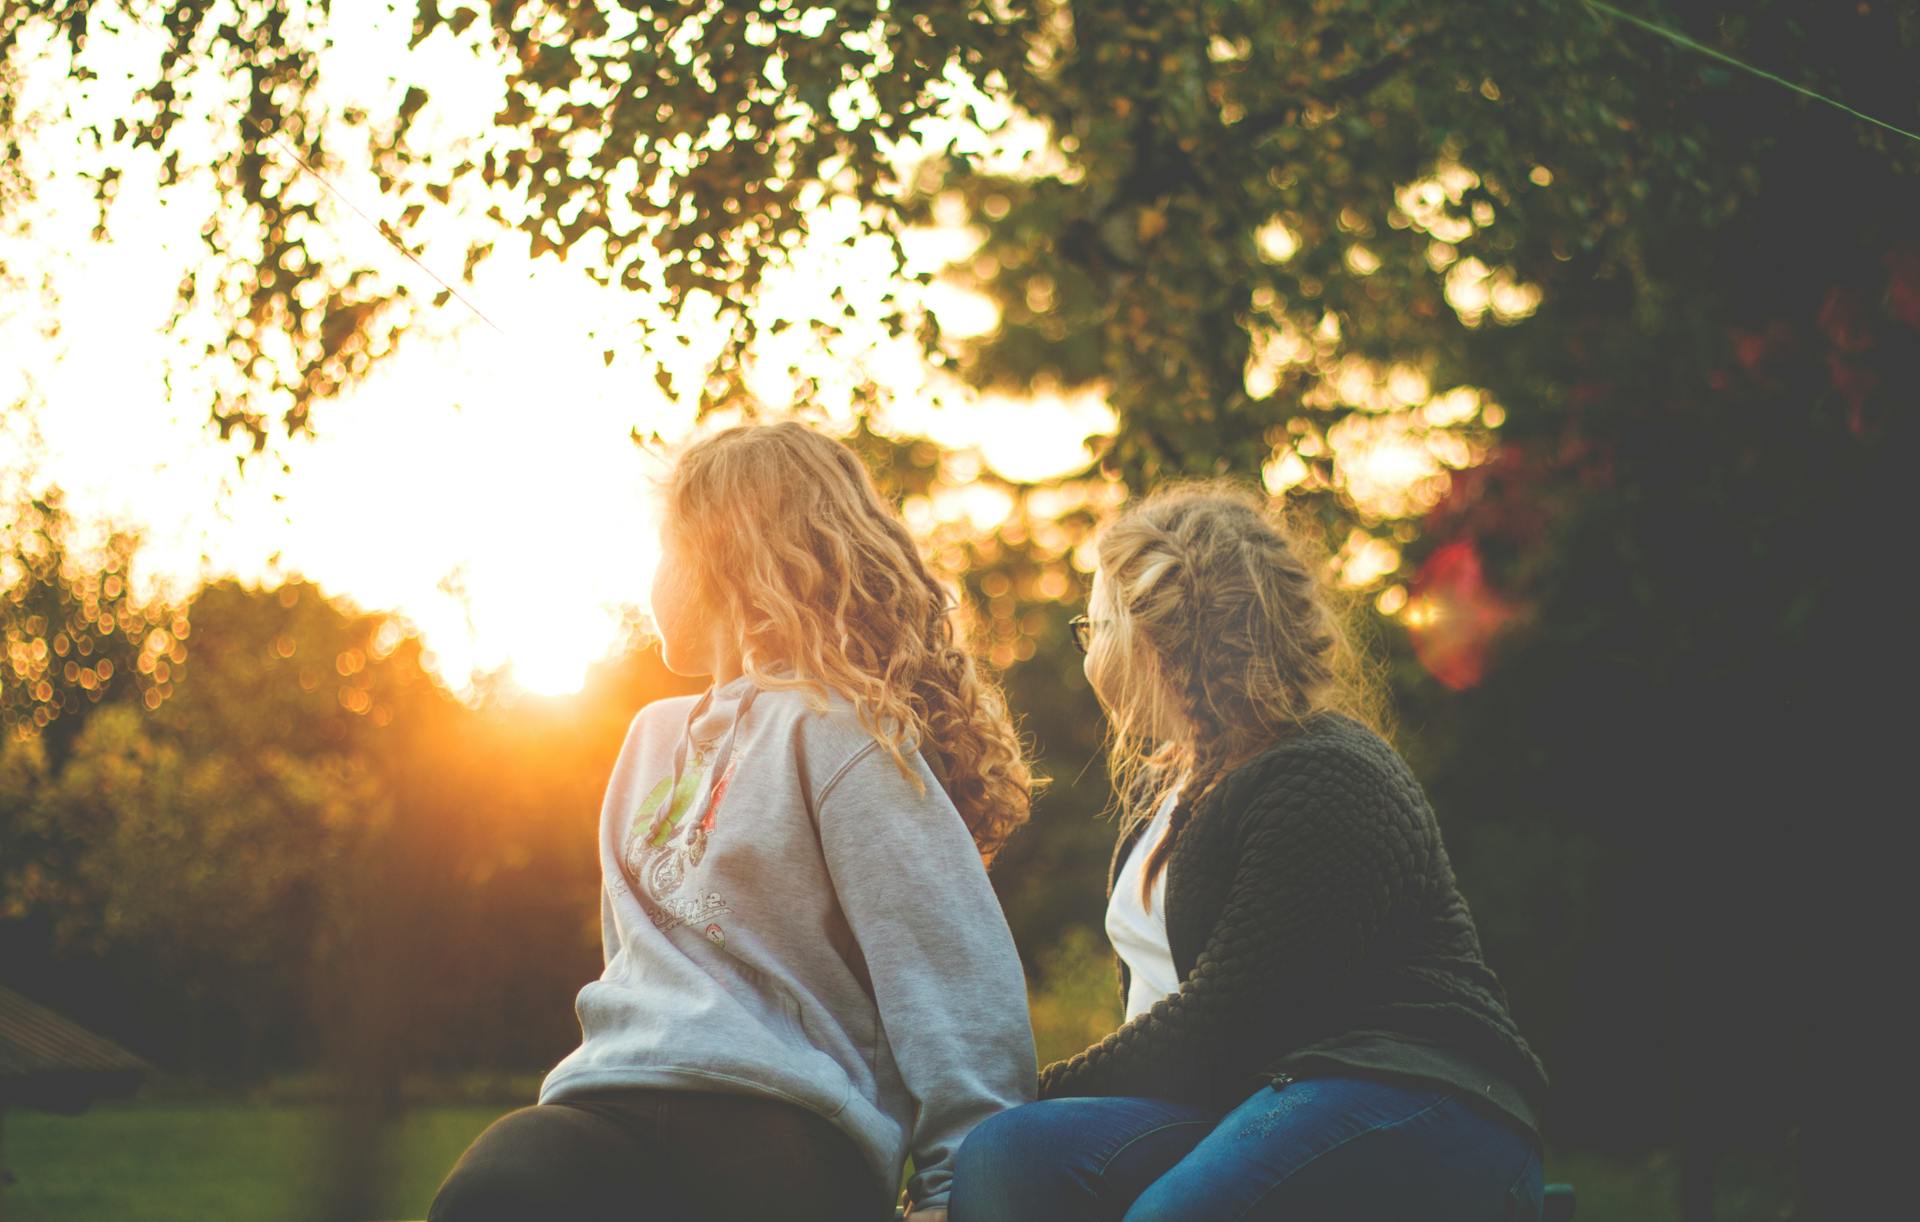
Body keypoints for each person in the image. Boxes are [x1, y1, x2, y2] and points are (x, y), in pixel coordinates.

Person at [430, 422, 1037, 1222]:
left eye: (663, 548)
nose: (650, 576)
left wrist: (956, 1189)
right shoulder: (649, 739)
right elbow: (640, 959)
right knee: (496, 1190)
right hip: (611, 1100)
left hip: (782, 1120)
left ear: (720, 554)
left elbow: (953, 975)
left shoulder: (839, 732)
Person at [951, 483, 1549, 1222]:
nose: (1089, 651)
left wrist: (1041, 1085)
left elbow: (1232, 1018)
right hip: (1253, 1095)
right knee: (1006, 1152)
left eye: (1095, 626)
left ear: (1158, 636)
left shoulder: (1326, 772)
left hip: (1417, 1094)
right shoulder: (1173, 789)